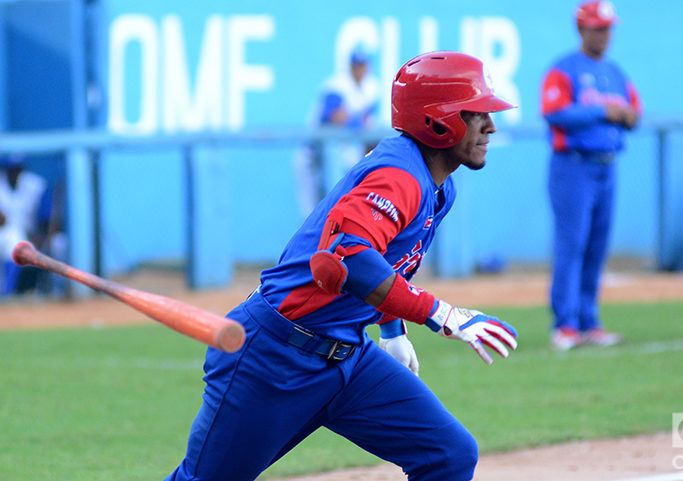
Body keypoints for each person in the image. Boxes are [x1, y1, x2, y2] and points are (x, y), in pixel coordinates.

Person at [165, 51, 518, 481]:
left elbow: (387, 263)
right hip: (275, 357)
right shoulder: (400, 176)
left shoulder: (438, 187)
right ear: (438, 119)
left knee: (449, 454)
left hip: (347, 357)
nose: (490, 126)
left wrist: (391, 329)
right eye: (477, 114)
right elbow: (348, 256)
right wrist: (440, 314)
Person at [541, 0, 641, 350]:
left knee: (597, 246)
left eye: (608, 28)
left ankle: (589, 321)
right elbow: (553, 111)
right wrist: (603, 111)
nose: (605, 35)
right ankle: (565, 324)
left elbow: (634, 112)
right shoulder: (564, 69)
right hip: (573, 166)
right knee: (573, 243)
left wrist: (625, 115)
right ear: (582, 29)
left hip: (606, 164)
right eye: (598, 28)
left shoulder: (615, 72)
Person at [294, 47, 380, 218]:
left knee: (339, 210)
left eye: (362, 65)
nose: (359, 69)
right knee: (311, 214)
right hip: (312, 156)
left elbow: (367, 129)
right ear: (350, 66)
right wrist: (358, 121)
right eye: (356, 65)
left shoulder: (372, 88)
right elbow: (337, 119)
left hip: (341, 155)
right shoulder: (335, 85)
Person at [0, 154, 49, 296]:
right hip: (4, 234)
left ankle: (55, 290)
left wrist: (42, 235)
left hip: (32, 234)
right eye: (11, 169)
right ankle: (7, 293)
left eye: (18, 169)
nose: (14, 173)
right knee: (12, 238)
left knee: (59, 243)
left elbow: (46, 217)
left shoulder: (35, 184)